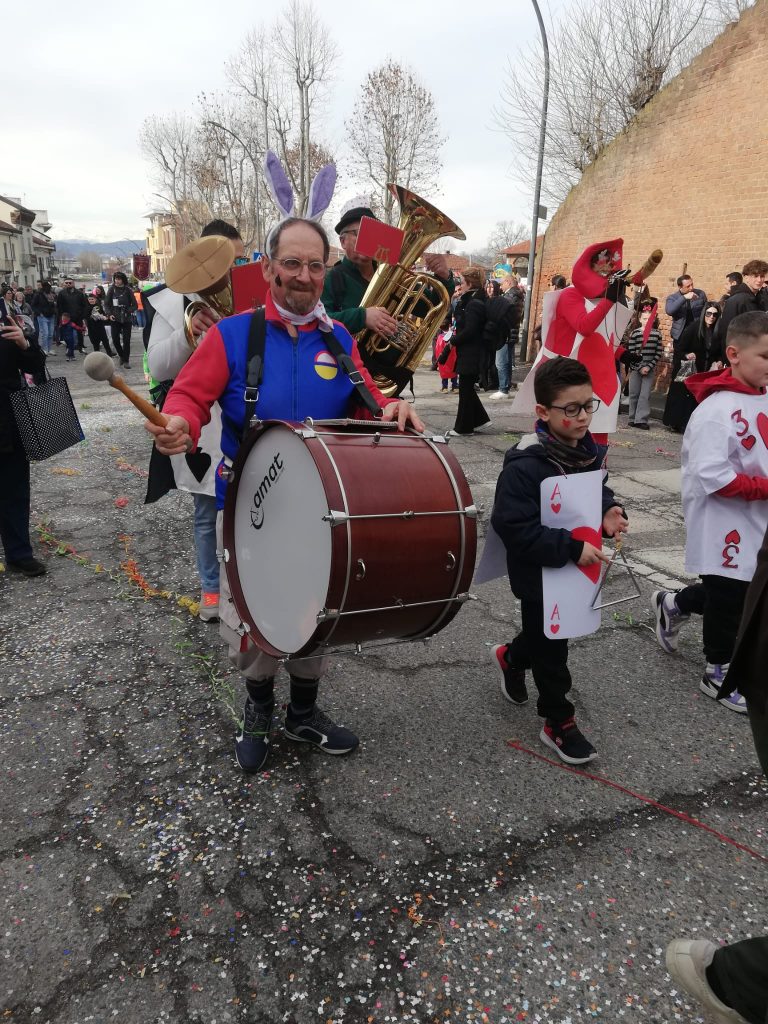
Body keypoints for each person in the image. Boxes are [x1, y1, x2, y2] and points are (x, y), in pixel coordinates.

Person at [144, 216, 424, 774]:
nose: (303, 276)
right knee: (253, 619)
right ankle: (256, 710)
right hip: (250, 507)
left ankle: (303, 712)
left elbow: (369, 399)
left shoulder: (338, 338)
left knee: (315, 612)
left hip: (322, 511)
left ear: (325, 271)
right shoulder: (231, 335)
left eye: (314, 265)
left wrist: (391, 409)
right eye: (291, 264)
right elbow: (189, 397)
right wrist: (177, 421)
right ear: (268, 268)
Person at [490, 357, 628, 764]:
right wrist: (569, 547)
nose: (584, 416)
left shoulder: (585, 451)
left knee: (545, 638)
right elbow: (512, 525)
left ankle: (510, 657)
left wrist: (608, 511)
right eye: (571, 409)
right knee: (553, 648)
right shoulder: (524, 466)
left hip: (574, 570)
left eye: (589, 405)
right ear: (542, 412)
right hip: (539, 575)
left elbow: (593, 489)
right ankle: (558, 720)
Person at [651, 311, 768, 713]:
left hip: (759, 516)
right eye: (766, 356)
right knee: (731, 591)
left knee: (742, 589)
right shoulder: (716, 411)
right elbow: (713, 475)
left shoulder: (764, 395)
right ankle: (717, 670)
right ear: (734, 354)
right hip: (724, 518)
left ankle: (675, 605)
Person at [145, 219, 246, 622]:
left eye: (235, 261)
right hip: (207, 423)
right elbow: (157, 364)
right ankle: (210, 589)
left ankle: (248, 588)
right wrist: (189, 336)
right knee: (208, 513)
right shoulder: (172, 303)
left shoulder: (254, 295)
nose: (226, 273)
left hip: (247, 417)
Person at [321, 199, 454, 392]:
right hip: (344, 376)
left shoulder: (392, 274)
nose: (367, 238)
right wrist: (363, 317)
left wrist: (445, 278)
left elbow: (430, 308)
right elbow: (320, 322)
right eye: (359, 233)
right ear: (343, 241)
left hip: (388, 376)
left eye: (371, 233)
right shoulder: (332, 278)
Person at [0, 312, 47, 576]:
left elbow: (34, 365)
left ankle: (19, 554)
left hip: (8, 421)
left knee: (15, 491)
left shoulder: (6, 322)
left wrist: (24, 343)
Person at [662, 301, 721, 432]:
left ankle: (689, 423)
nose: (711, 317)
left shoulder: (717, 333)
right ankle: (677, 423)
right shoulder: (693, 329)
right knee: (683, 397)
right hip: (688, 369)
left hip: (704, 371)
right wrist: (687, 355)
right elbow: (679, 349)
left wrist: (718, 361)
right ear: (704, 314)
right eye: (709, 313)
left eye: (714, 315)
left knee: (696, 398)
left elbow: (718, 352)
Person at [447, 266, 491, 436]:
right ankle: (480, 420)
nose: (461, 285)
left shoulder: (473, 304)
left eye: (463, 282)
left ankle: (464, 428)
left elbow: (471, 330)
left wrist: (453, 340)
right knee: (467, 389)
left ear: (470, 283)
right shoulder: (473, 300)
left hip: (472, 353)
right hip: (471, 351)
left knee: (465, 389)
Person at [711, 259, 768, 364]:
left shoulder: (758, 298)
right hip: (740, 358)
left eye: (762, 276)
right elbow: (727, 332)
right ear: (746, 277)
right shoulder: (739, 299)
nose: (759, 280)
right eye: (755, 276)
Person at [625, 298, 663, 429]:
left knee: (645, 395)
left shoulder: (657, 334)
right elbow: (630, 353)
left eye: (650, 319)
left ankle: (641, 419)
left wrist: (649, 366)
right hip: (636, 368)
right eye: (645, 319)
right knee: (634, 393)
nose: (647, 322)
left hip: (649, 367)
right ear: (641, 319)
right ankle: (632, 417)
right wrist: (639, 367)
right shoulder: (635, 333)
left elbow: (659, 352)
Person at [489, 274, 524, 400]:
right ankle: (505, 387)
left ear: (509, 282)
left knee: (501, 362)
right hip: (510, 332)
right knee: (506, 362)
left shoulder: (511, 296)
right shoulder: (515, 295)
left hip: (505, 333)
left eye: (503, 283)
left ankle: (503, 388)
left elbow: (501, 312)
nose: (501, 286)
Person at [664, 275, 708, 349]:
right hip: (680, 334)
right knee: (679, 358)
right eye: (688, 286)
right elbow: (669, 311)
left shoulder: (700, 294)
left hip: (697, 333)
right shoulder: (673, 298)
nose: (691, 288)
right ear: (680, 287)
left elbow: (706, 310)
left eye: (692, 284)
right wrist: (684, 297)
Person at [105, 271, 137, 368]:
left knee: (126, 340)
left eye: (119, 279)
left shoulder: (128, 290)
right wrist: (109, 314)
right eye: (116, 279)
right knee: (115, 339)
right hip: (115, 318)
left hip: (126, 318)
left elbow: (135, 305)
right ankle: (121, 355)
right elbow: (106, 304)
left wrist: (128, 310)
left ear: (123, 280)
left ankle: (126, 361)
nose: (117, 281)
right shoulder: (111, 289)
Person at [56, 278, 89, 357]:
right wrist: (61, 316)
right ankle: (69, 348)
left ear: (73, 283)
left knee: (79, 332)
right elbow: (59, 306)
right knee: (68, 334)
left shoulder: (79, 293)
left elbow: (84, 305)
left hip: (78, 316)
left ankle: (81, 347)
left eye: (70, 283)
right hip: (67, 317)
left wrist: (83, 315)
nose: (68, 284)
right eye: (66, 283)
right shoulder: (62, 293)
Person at [85, 288, 113, 355]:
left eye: (92, 299)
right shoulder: (86, 308)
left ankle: (109, 353)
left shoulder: (98, 306)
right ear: (87, 300)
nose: (91, 300)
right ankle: (97, 355)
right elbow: (85, 317)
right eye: (90, 299)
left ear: (95, 299)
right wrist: (92, 316)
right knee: (95, 343)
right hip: (92, 328)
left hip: (100, 326)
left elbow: (103, 314)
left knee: (105, 340)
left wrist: (105, 317)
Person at [434, 315, 458, 393]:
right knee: (454, 372)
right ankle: (455, 387)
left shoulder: (440, 337)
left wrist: (438, 359)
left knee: (444, 372)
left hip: (444, 359)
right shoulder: (454, 335)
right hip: (453, 359)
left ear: (440, 328)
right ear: (450, 325)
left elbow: (437, 350)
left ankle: (444, 387)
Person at [31, 282, 56, 355]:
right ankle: (44, 349)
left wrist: (55, 311)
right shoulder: (38, 295)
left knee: (51, 334)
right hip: (42, 316)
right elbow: (33, 305)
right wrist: (39, 313)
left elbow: (54, 304)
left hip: (51, 315)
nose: (48, 288)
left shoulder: (52, 294)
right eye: (47, 286)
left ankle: (49, 348)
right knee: (45, 333)